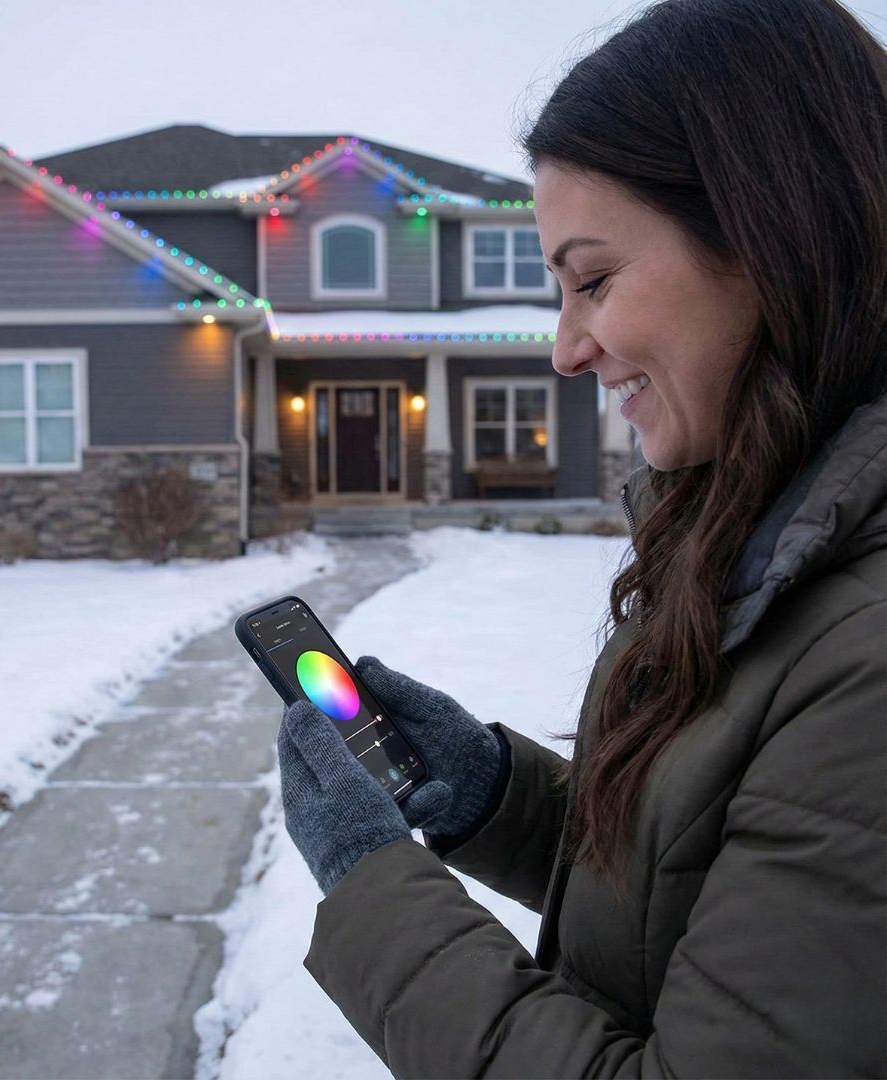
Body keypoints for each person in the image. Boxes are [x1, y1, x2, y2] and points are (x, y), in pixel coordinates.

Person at [275, 0, 887, 1074]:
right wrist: (500, 799)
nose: (564, 351)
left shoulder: (867, 659)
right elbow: (711, 893)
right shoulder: (751, 542)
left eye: (593, 280)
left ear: (775, 237)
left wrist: (374, 891)